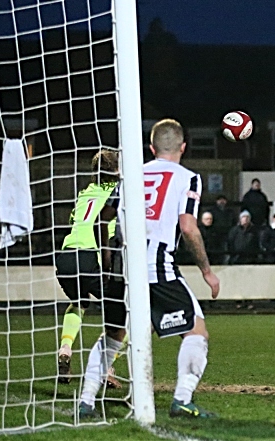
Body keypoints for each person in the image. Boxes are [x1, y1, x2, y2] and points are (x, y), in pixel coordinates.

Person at [78, 118, 221, 419]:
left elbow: (103, 218)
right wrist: (207, 271)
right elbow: (189, 227)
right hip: (158, 267)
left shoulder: (130, 175)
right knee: (197, 331)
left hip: (122, 267)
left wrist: (107, 262)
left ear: (151, 148)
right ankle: (182, 400)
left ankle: (87, 400)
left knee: (113, 336)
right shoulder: (188, 178)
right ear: (183, 147)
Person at [55, 149, 119, 385]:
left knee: (79, 303)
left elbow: (75, 220)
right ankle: (107, 367)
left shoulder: (85, 193)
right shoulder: (119, 193)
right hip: (93, 257)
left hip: (66, 256)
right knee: (126, 312)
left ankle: (65, 349)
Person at [210, 195, 237, 263]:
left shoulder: (230, 212)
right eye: (219, 200)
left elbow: (234, 222)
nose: (222, 201)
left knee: (226, 250)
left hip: (228, 234)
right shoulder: (212, 212)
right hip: (215, 235)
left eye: (223, 200)